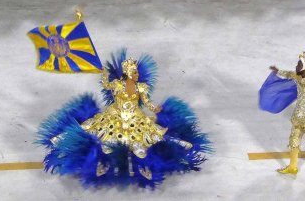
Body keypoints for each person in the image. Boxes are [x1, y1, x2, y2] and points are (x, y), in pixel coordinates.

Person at [38, 50, 211, 188]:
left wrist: (154, 108)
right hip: (114, 117)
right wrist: (104, 73)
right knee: (103, 137)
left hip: (136, 119)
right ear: (128, 73)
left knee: (146, 139)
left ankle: (138, 162)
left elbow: (147, 103)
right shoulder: (118, 85)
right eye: (134, 72)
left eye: (136, 72)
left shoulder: (141, 87)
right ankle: (103, 161)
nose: (136, 74)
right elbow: (106, 85)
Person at [269, 51, 305, 175]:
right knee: (294, 140)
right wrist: (277, 71)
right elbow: (289, 74)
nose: (296, 66)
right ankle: (292, 166)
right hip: (298, 116)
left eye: (299, 64)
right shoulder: (298, 76)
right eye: (298, 63)